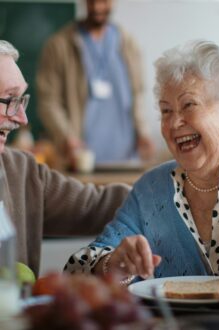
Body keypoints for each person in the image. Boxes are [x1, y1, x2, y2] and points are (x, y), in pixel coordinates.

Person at [64, 39, 219, 282]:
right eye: (166, 110)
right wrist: (113, 264)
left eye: (188, 105)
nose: (174, 123)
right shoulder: (151, 190)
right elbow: (76, 270)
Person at [0, 40, 130, 277]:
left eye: (21, 101)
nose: (22, 119)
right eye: (9, 100)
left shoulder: (21, 172)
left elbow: (96, 205)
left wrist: (177, 187)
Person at [36, 0, 155, 166]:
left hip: (127, 160)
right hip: (80, 162)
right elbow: (48, 101)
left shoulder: (129, 44)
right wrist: (65, 137)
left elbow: (138, 94)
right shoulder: (58, 46)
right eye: (92, 1)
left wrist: (143, 132)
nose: (97, 7)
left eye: (104, 2)